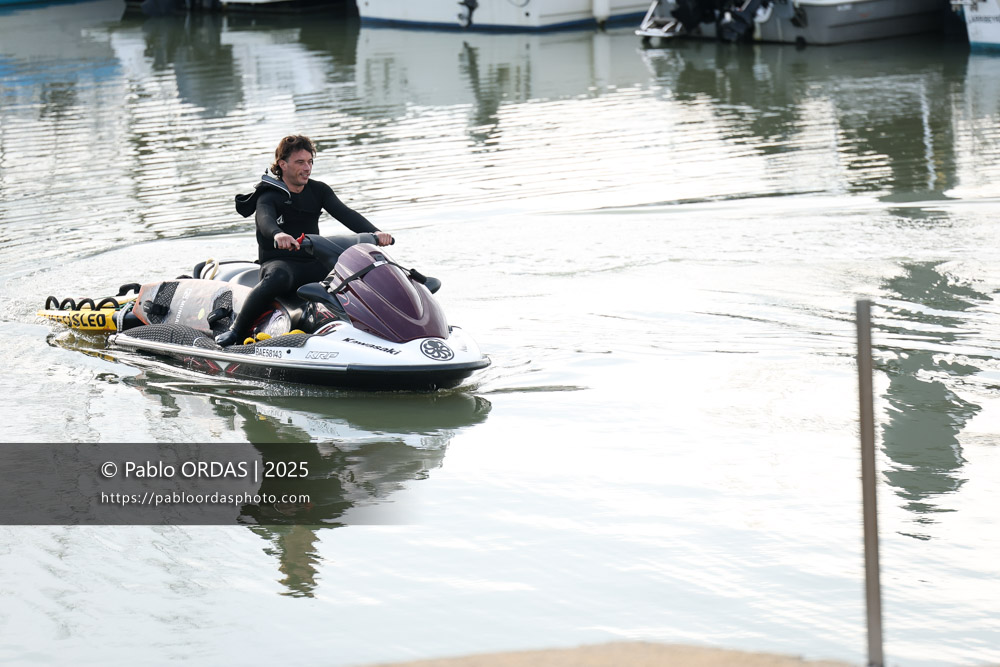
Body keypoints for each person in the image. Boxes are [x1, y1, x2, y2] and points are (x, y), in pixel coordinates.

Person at [216, 134, 393, 346]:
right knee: (279, 277)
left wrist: (375, 233)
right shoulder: (269, 195)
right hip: (281, 264)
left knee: (358, 269)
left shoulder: (319, 190)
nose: (307, 168)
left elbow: (346, 214)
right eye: (300, 162)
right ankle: (236, 331)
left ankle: (388, 322)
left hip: (313, 260)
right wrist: (278, 234)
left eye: (310, 162)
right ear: (283, 164)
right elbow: (265, 220)